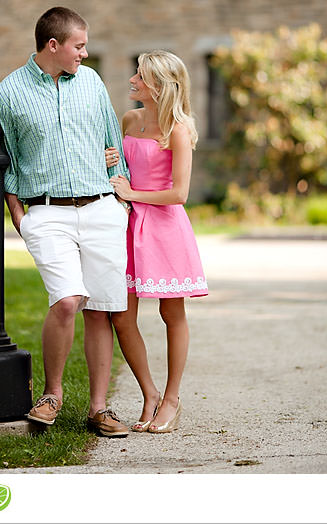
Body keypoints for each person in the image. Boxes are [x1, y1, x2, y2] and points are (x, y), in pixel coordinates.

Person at [0, 6, 132, 438]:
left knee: (101, 310)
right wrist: (18, 212)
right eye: (79, 45)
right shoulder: (9, 93)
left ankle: (98, 409)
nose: (85, 53)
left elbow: (114, 141)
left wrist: (120, 195)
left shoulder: (90, 82)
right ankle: (53, 394)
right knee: (68, 299)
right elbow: (6, 158)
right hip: (47, 211)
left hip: (100, 207)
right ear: (53, 45)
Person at [106, 49, 208, 433]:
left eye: (141, 76)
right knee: (122, 315)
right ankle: (149, 393)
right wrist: (111, 159)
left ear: (160, 87)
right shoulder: (130, 119)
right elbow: (120, 171)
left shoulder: (178, 130)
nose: (133, 80)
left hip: (164, 228)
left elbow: (179, 193)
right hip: (128, 226)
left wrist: (133, 194)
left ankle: (172, 398)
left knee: (171, 314)